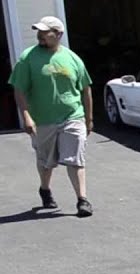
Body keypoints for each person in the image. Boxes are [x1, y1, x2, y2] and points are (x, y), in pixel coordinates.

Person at [7, 16, 94, 217]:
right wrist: (26, 116)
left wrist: (89, 119)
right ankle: (45, 189)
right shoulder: (28, 58)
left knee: (75, 158)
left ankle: (82, 200)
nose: (40, 35)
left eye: (45, 32)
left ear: (58, 34)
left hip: (72, 116)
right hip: (43, 120)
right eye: (39, 31)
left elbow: (86, 89)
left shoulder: (72, 58)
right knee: (46, 162)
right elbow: (19, 89)